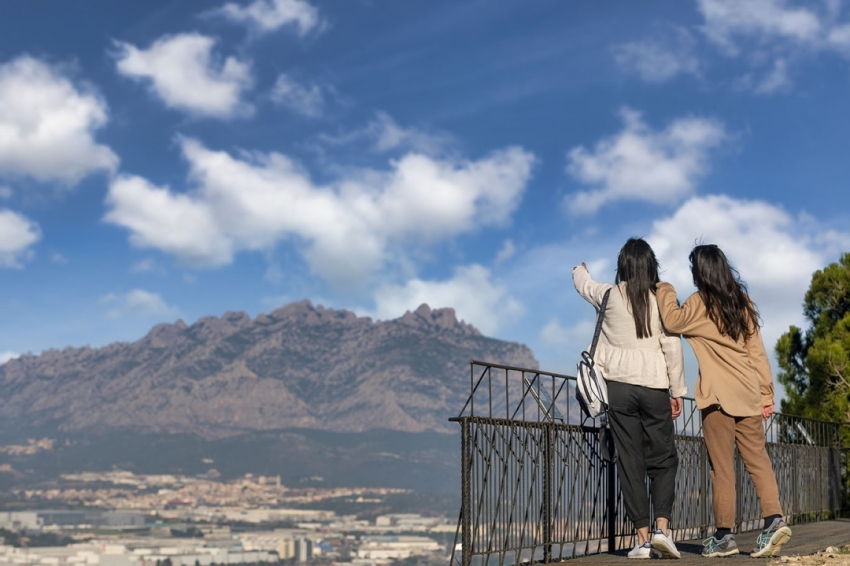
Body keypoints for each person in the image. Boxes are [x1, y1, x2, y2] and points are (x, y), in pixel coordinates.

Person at [655, 244, 791, 558]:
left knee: (722, 469)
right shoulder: (743, 303)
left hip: (718, 398)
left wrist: (664, 288)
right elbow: (757, 352)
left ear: (700, 272)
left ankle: (724, 537)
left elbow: (672, 321)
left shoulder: (699, 301)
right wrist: (767, 395)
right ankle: (774, 519)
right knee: (758, 461)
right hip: (749, 392)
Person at [574, 238, 687, 560]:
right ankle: (663, 530)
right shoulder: (659, 300)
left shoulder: (608, 295)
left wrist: (579, 269)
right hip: (655, 386)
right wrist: (677, 391)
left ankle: (641, 539)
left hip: (618, 388)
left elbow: (583, 284)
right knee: (664, 458)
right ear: (651, 266)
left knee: (631, 461)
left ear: (622, 265)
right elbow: (672, 346)